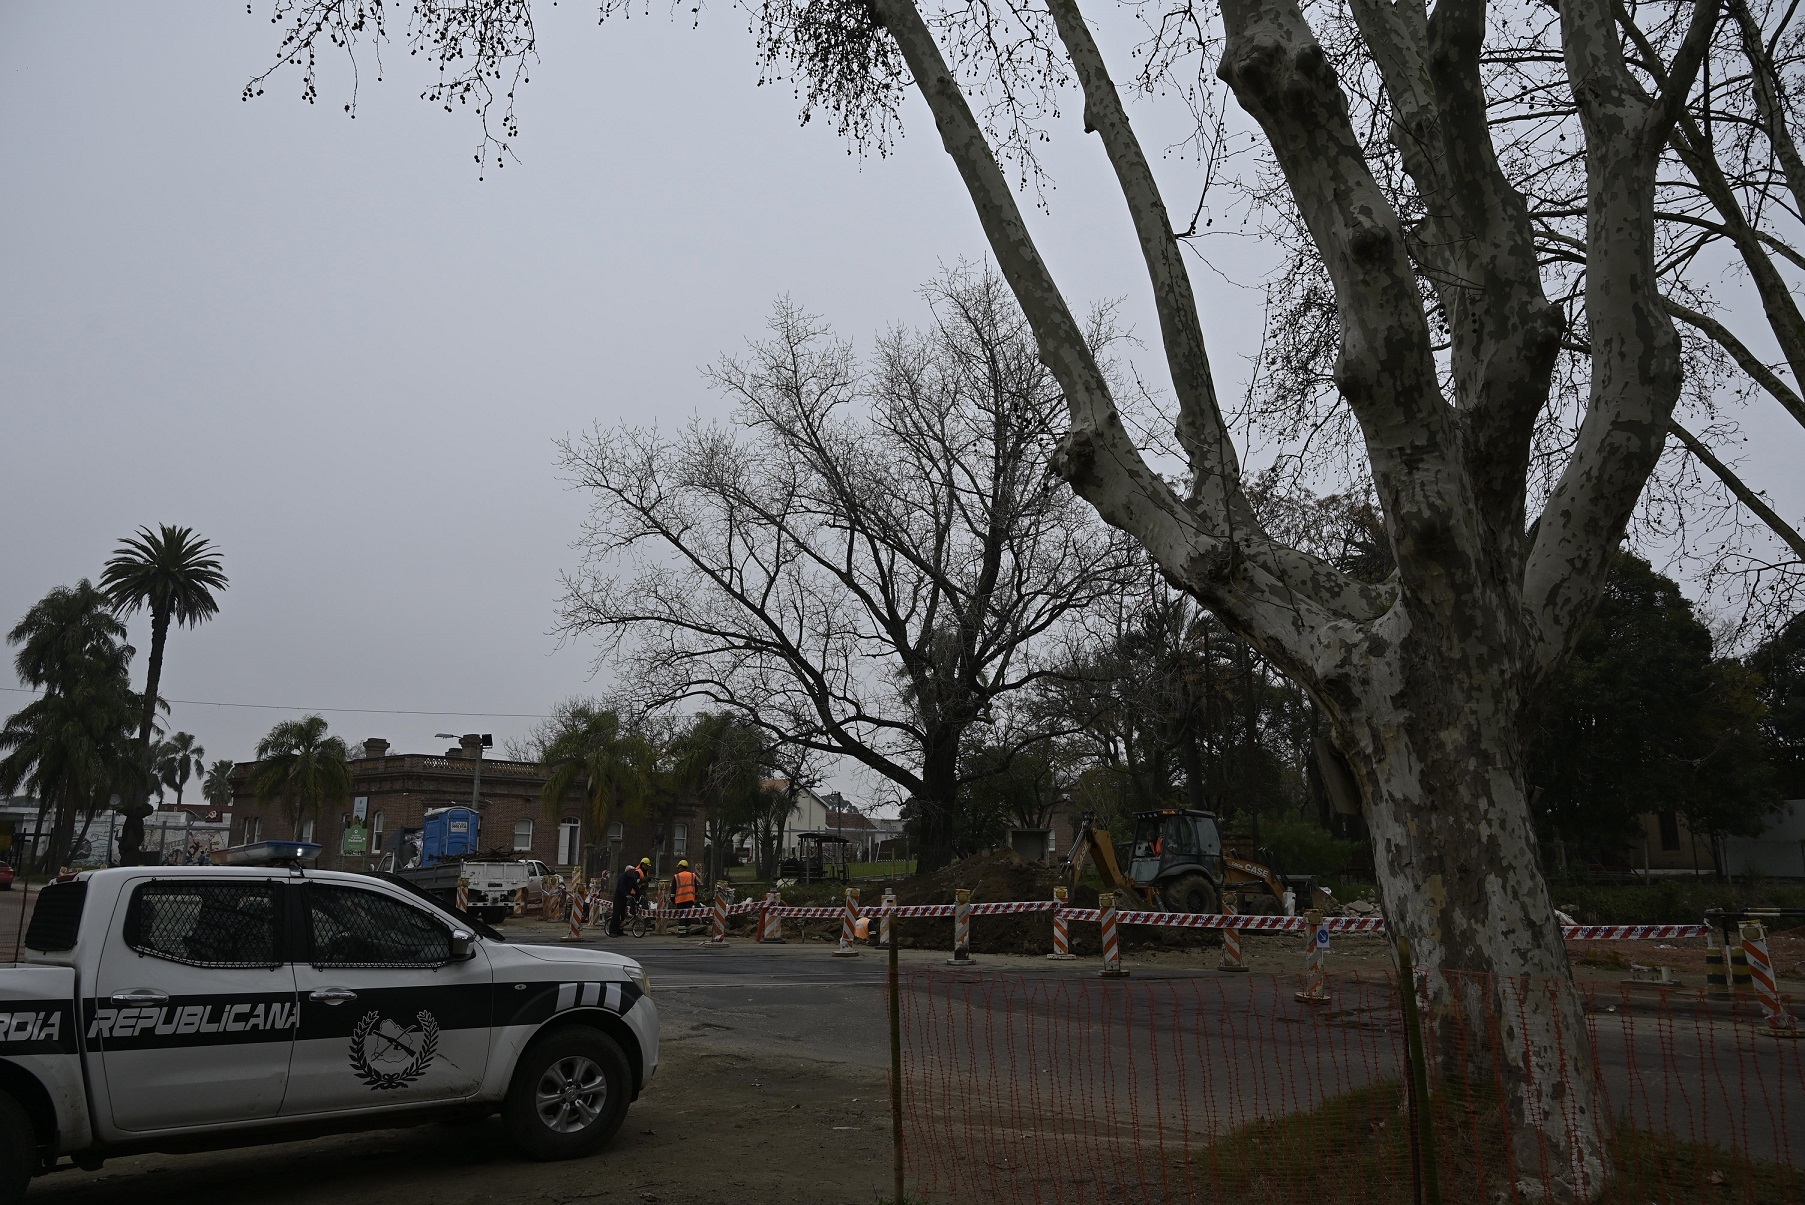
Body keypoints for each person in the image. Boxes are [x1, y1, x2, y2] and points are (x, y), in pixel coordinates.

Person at [609, 860, 642, 936]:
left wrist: (640, 894)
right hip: (619, 898)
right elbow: (622, 888)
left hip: (625, 898)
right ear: (628, 871)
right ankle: (612, 931)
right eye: (632, 871)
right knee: (616, 914)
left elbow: (635, 887)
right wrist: (626, 895)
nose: (633, 873)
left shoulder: (632, 878)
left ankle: (620, 930)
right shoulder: (622, 877)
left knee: (622, 915)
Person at [672, 859, 699, 934]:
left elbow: (673, 890)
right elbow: (696, 888)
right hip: (690, 899)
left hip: (680, 900)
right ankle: (687, 931)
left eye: (678, 868)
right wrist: (695, 898)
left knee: (681, 916)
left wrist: (673, 900)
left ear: (681, 867)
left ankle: (682, 933)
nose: (678, 869)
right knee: (688, 915)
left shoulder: (676, 876)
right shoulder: (692, 875)